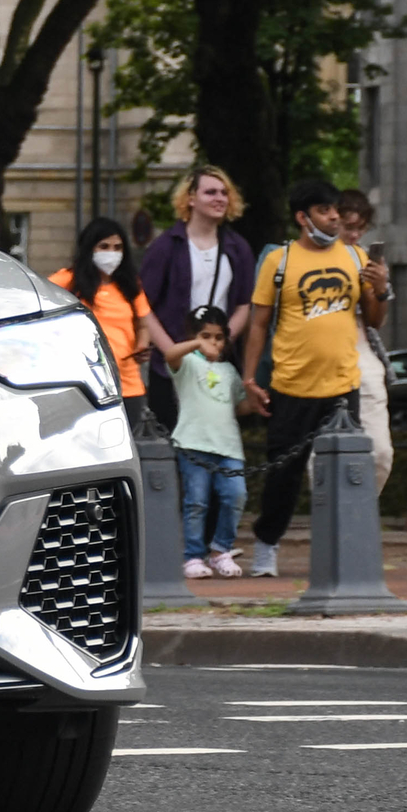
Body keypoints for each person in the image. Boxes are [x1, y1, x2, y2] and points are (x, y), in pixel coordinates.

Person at [240, 177, 389, 577]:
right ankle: (267, 545)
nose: (335, 216)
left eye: (336, 210)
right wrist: (250, 379)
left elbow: (373, 321)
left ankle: (345, 549)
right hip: (291, 386)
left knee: (346, 471)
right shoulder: (280, 261)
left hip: (343, 387)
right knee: (282, 475)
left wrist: (381, 289)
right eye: (325, 211)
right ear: (303, 218)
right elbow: (258, 325)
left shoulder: (356, 258)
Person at [139, 166, 258, 428]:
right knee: (172, 438)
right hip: (171, 366)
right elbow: (143, 304)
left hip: (217, 363)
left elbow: (243, 305)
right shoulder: (166, 246)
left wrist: (218, 343)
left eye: (224, 193)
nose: (220, 198)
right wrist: (171, 350)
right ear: (190, 198)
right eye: (210, 192)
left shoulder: (238, 248)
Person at [155, 304, 247, 579]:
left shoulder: (230, 371)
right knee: (196, 501)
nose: (213, 343)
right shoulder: (187, 364)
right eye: (206, 336)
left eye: (219, 337)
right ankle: (193, 556)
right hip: (193, 444)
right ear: (194, 336)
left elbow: (240, 406)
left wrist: (255, 397)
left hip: (229, 445)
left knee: (235, 495)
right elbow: (170, 353)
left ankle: (221, 550)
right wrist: (196, 344)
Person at [51, 217, 170, 414]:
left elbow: (143, 322)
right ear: (89, 248)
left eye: (117, 247)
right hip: (83, 384)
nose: (111, 253)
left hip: (129, 384)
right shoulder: (67, 281)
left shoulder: (130, 284)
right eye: (104, 246)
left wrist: (142, 344)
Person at [335, 188, 394, 491]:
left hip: (361, 351)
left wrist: (379, 288)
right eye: (349, 227)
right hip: (321, 355)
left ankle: (362, 513)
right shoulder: (303, 257)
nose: (355, 235)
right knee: (321, 449)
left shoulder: (363, 259)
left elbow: (376, 321)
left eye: (361, 228)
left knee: (380, 451)